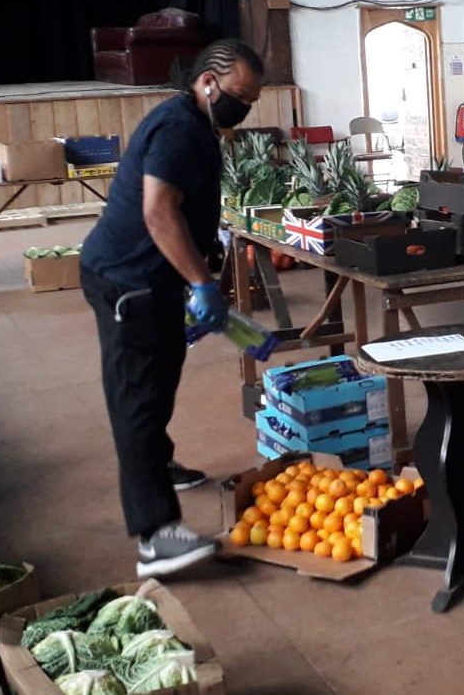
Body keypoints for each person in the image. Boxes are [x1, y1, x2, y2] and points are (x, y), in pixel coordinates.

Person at [80, 38, 263, 577]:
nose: (243, 107)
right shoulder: (180, 128)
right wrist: (201, 283)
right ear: (207, 82)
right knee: (137, 400)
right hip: (127, 281)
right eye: (237, 95)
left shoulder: (197, 125)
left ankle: (158, 464)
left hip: (153, 280)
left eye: (251, 99)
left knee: (157, 383)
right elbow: (159, 213)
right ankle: (155, 535)